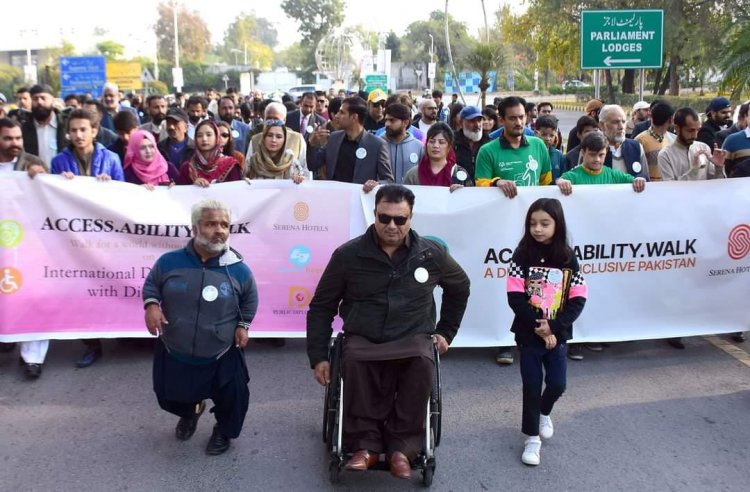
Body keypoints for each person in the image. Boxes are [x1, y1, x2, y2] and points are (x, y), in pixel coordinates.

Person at [307, 184, 470, 479]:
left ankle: (401, 448)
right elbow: (321, 306)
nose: (391, 225)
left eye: (400, 219)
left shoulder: (430, 255)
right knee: (353, 359)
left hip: (412, 337)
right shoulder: (348, 255)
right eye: (384, 218)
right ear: (375, 214)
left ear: (411, 218)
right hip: (364, 338)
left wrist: (446, 331)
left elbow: (460, 287)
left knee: (423, 361)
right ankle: (365, 445)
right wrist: (318, 356)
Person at [143, 199, 258, 456]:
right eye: (211, 224)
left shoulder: (238, 269)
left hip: (221, 350)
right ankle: (191, 411)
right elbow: (152, 285)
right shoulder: (169, 262)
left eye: (225, 225)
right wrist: (151, 305)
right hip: (176, 347)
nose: (219, 230)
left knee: (234, 398)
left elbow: (250, 299)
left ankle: (223, 431)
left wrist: (243, 325)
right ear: (195, 229)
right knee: (168, 396)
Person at [30, 108, 124, 368]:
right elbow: (51, 197)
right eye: (73, 130)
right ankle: (91, 343)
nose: (78, 134)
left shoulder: (112, 158)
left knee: (106, 287)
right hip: (72, 239)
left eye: (83, 129)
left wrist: (110, 185)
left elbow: (127, 200)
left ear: (94, 131)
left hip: (105, 238)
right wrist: (58, 181)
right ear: (68, 133)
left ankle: (115, 331)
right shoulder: (60, 161)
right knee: (81, 289)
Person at [507, 198, 587, 466]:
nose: (537, 229)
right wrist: (539, 327)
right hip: (529, 333)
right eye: (532, 223)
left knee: (557, 384)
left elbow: (578, 298)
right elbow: (515, 297)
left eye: (544, 223)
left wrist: (554, 326)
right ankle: (532, 439)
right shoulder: (521, 255)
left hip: (558, 333)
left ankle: (544, 411)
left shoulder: (567, 257)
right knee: (531, 385)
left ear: (557, 224)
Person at [475, 96, 552, 366]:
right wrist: (496, 182)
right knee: (507, 285)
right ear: (501, 119)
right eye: (513, 118)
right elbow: (479, 184)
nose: (519, 122)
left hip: (535, 231)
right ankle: (503, 342)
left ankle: (538, 333)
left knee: (538, 284)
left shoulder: (539, 146)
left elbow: (546, 183)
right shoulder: (488, 151)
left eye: (522, 117)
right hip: (502, 230)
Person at [658, 107, 727, 349]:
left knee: (704, 275)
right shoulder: (665, 155)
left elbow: (717, 188)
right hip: (678, 225)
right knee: (679, 278)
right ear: (676, 127)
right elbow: (672, 192)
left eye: (697, 129)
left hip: (704, 223)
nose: (695, 134)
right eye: (690, 130)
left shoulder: (704, 149)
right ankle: (674, 328)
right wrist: (693, 169)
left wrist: (718, 167)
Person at [0, 117, 48, 377]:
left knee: (31, 297)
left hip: (28, 242)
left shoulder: (32, 163)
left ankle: (33, 357)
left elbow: (53, 198)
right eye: (8, 138)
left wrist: (42, 179)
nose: (15, 143)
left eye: (18, 138)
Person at [308, 96, 393, 190]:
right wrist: (312, 144)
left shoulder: (377, 145)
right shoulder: (334, 138)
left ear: (354, 117)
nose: (336, 116)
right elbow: (312, 165)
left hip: (360, 201)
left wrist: (375, 185)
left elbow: (388, 180)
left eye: (342, 112)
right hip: (334, 199)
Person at [556, 132, 647, 195]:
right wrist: (560, 182)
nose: (597, 159)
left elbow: (634, 180)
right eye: (592, 155)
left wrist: (638, 180)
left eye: (601, 155)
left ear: (606, 152)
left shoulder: (614, 175)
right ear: (583, 152)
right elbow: (558, 182)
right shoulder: (572, 176)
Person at [404, 122, 471, 190]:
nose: (436, 146)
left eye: (441, 142)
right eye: (432, 141)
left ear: (449, 147)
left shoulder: (459, 174)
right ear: (426, 144)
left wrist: (461, 193)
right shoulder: (413, 175)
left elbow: (470, 198)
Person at [177, 120, 243, 187]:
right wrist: (193, 187)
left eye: (209, 135)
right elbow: (180, 193)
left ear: (216, 137)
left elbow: (236, 192)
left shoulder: (230, 165)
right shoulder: (187, 168)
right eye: (199, 135)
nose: (204, 139)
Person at [22, 84, 67, 168]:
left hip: (63, 177)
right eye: (35, 99)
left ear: (52, 100)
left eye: (43, 98)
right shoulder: (24, 128)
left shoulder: (65, 125)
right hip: (34, 177)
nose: (39, 102)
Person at [381, 103, 424, 183]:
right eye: (386, 120)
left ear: (405, 123)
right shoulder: (377, 144)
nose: (387, 124)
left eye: (392, 120)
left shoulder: (419, 147)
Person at [634, 102, 675, 181]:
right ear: (670, 119)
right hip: (648, 188)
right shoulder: (640, 140)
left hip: (668, 186)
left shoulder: (672, 139)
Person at [453, 106, 490, 180]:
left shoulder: (489, 143)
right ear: (461, 123)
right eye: (472, 121)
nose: (477, 125)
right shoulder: (452, 142)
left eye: (479, 120)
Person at [534, 115, 565, 181]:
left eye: (552, 135)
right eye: (544, 134)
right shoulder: (530, 153)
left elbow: (563, 177)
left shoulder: (559, 156)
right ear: (536, 133)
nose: (548, 139)